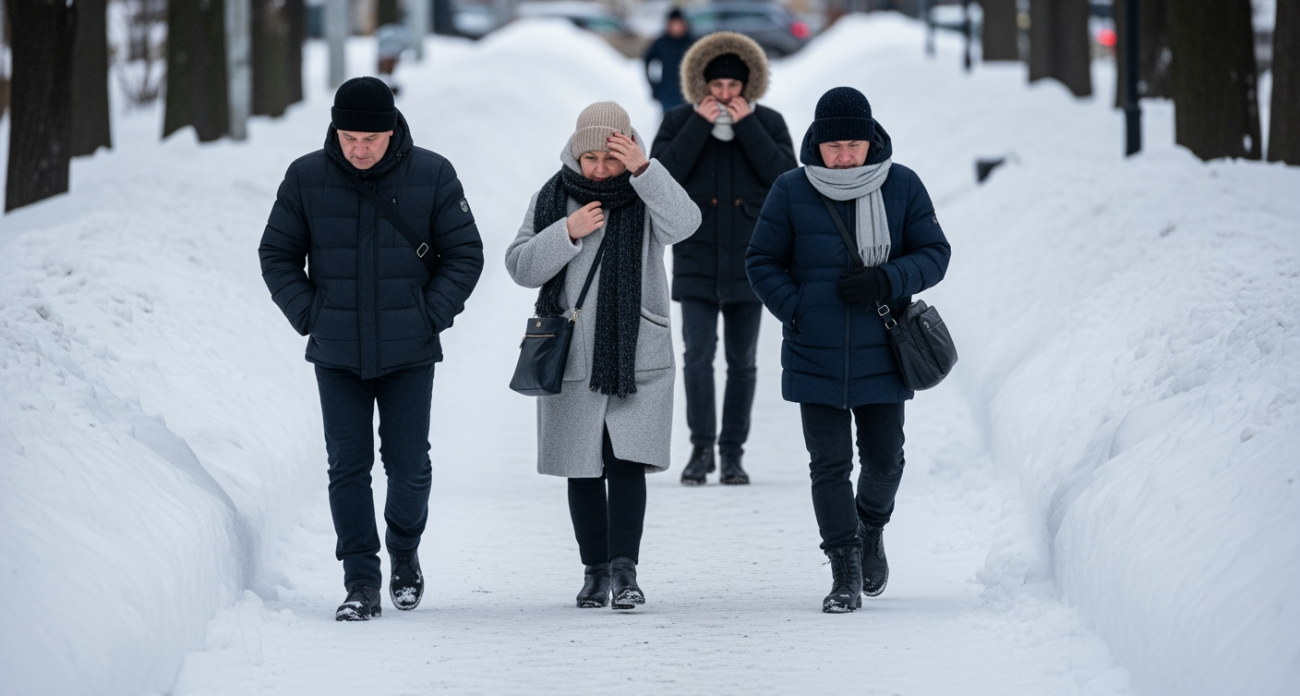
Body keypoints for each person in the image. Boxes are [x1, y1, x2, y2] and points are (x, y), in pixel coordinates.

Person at [259, 77, 484, 621]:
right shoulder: (306, 176)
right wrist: (311, 315)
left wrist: (429, 314)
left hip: (410, 352)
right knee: (348, 467)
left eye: (370, 139)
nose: (358, 149)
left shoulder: (433, 174)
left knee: (409, 468)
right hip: (337, 354)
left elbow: (465, 253)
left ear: (392, 131)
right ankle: (361, 580)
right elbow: (277, 254)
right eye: (349, 137)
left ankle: (404, 550)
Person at [745, 87, 951, 613]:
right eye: (834, 145)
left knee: (885, 461)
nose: (843, 156)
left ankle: (870, 529)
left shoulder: (901, 185)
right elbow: (761, 261)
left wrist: (886, 280)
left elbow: (935, 254)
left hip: (884, 348)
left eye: (853, 145)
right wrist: (797, 308)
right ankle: (844, 568)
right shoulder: (792, 190)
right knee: (828, 464)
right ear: (817, 141)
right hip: (813, 349)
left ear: (870, 139)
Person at [505, 102, 699, 610]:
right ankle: (594, 573)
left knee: (626, 462)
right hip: (572, 354)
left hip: (637, 352)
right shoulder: (552, 197)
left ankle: (624, 573)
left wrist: (644, 170)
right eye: (589, 157)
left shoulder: (643, 193)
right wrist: (566, 232)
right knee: (582, 468)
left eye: (609, 157)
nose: (598, 168)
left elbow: (687, 223)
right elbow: (520, 266)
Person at [651, 31, 796, 486]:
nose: (725, 96)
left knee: (743, 361)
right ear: (702, 85)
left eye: (733, 87)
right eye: (717, 87)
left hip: (750, 264)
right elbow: (661, 178)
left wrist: (748, 125)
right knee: (696, 358)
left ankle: (733, 453)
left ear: (748, 86)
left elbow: (785, 179)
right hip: (695, 258)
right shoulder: (678, 120)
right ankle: (700, 451)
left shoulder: (768, 122)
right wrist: (698, 123)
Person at [643, 8, 692, 112]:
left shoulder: (691, 43)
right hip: (668, 96)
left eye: (678, 24)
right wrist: (655, 88)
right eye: (673, 24)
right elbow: (649, 64)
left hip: (688, 96)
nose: (676, 27)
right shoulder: (661, 44)